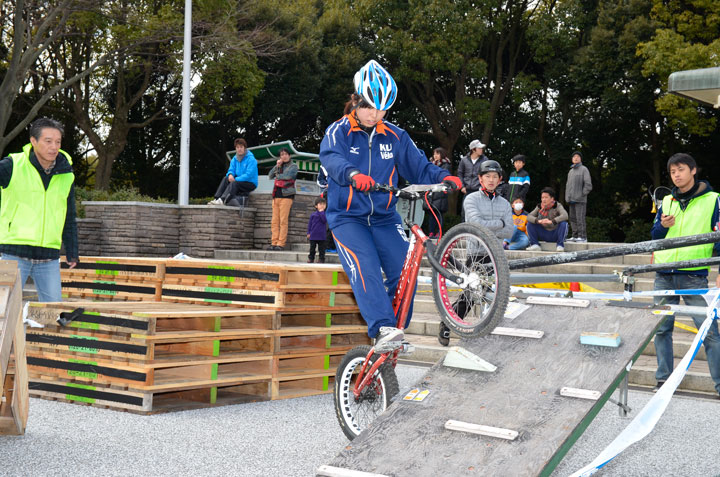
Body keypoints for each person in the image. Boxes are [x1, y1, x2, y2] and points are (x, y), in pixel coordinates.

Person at [319, 59, 461, 352]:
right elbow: (331, 158)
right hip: (347, 218)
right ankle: (383, 326)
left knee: (404, 274)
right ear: (357, 100)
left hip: (384, 217)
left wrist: (445, 177)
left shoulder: (396, 136)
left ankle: (392, 334)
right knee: (366, 268)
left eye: (383, 109)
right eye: (370, 107)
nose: (376, 114)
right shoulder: (339, 131)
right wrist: (353, 175)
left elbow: (420, 168)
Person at [650, 153, 720, 396]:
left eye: (680, 169)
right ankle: (663, 380)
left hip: (694, 275)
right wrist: (662, 226)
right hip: (663, 272)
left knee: (709, 332)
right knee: (661, 329)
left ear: (693, 170)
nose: (676, 175)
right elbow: (655, 236)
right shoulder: (667, 201)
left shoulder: (714, 200)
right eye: (672, 172)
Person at [0, 118, 78, 302]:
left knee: (53, 313)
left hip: (48, 255)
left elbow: (69, 214)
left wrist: (72, 250)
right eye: (48, 141)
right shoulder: (12, 165)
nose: (54, 147)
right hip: (13, 252)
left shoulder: (66, 173)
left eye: (58, 142)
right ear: (33, 141)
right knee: (5, 311)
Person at [438, 159, 513, 346]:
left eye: (495, 177)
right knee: (470, 295)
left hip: (497, 257)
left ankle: (487, 334)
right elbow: (475, 225)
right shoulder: (471, 199)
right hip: (476, 254)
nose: (491, 180)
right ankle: (447, 323)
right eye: (487, 176)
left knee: (494, 295)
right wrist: (499, 225)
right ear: (480, 179)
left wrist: (493, 227)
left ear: (500, 179)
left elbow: (509, 231)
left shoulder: (505, 203)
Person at [208, 138, 258, 206]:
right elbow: (231, 170)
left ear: (244, 148)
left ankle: (222, 200)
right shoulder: (234, 159)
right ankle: (217, 199)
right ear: (235, 148)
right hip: (238, 181)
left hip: (250, 183)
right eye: (237, 147)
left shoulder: (251, 159)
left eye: (241, 147)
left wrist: (235, 179)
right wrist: (230, 175)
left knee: (234, 183)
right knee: (226, 178)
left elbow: (248, 175)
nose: (239, 149)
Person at [268, 148, 299, 250]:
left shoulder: (293, 166)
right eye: (282, 155)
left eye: (285, 154)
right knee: (274, 221)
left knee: (283, 221)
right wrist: (277, 166)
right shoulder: (279, 166)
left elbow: (288, 176)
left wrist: (278, 176)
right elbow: (270, 175)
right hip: (276, 196)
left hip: (286, 196)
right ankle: (274, 242)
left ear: (289, 155)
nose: (284, 156)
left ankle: (281, 244)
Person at [526, 187, 569, 252]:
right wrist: (538, 221)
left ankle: (560, 245)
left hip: (555, 233)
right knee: (530, 223)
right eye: (542, 198)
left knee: (564, 223)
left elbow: (565, 215)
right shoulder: (539, 206)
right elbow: (529, 216)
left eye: (546, 197)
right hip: (544, 233)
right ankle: (535, 245)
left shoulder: (557, 205)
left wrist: (552, 221)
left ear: (552, 198)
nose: (544, 200)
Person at [425, 147, 453, 238]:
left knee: (439, 213)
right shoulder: (430, 165)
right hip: (431, 191)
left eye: (437, 154)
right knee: (431, 213)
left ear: (442, 154)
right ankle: (431, 232)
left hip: (440, 191)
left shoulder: (446, 165)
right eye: (434, 154)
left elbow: (444, 178)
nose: (435, 156)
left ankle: (439, 232)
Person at [565, 151, 592, 242]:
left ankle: (582, 237)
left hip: (580, 200)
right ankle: (575, 236)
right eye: (574, 157)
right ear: (572, 159)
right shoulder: (570, 171)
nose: (576, 158)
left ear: (580, 159)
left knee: (580, 218)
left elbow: (588, 185)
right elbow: (568, 186)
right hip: (571, 199)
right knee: (572, 218)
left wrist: (582, 194)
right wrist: (567, 197)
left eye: (577, 156)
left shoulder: (584, 169)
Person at [457, 139, 488, 213]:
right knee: (465, 212)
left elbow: (487, 174)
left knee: (479, 212)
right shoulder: (464, 160)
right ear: (473, 149)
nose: (481, 150)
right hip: (467, 191)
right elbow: (460, 174)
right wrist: (462, 186)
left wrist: (484, 187)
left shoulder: (485, 160)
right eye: (479, 148)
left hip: (479, 190)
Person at [307, 197, 328, 263]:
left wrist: (322, 212)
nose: (322, 206)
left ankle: (321, 259)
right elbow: (310, 224)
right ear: (316, 206)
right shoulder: (313, 215)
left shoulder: (325, 214)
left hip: (321, 235)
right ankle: (311, 258)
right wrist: (308, 233)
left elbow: (324, 220)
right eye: (320, 204)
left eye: (324, 204)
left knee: (321, 249)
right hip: (313, 234)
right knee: (312, 248)